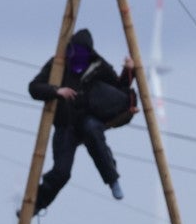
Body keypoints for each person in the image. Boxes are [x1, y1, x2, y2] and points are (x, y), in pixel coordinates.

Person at [28, 28, 130, 209]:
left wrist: (129, 71)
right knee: (61, 172)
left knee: (94, 134)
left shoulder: (99, 66)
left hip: (87, 119)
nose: (79, 57)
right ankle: (35, 204)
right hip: (65, 124)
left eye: (84, 53)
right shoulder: (58, 65)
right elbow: (34, 88)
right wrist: (57, 91)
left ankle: (112, 179)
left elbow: (119, 89)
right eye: (76, 52)